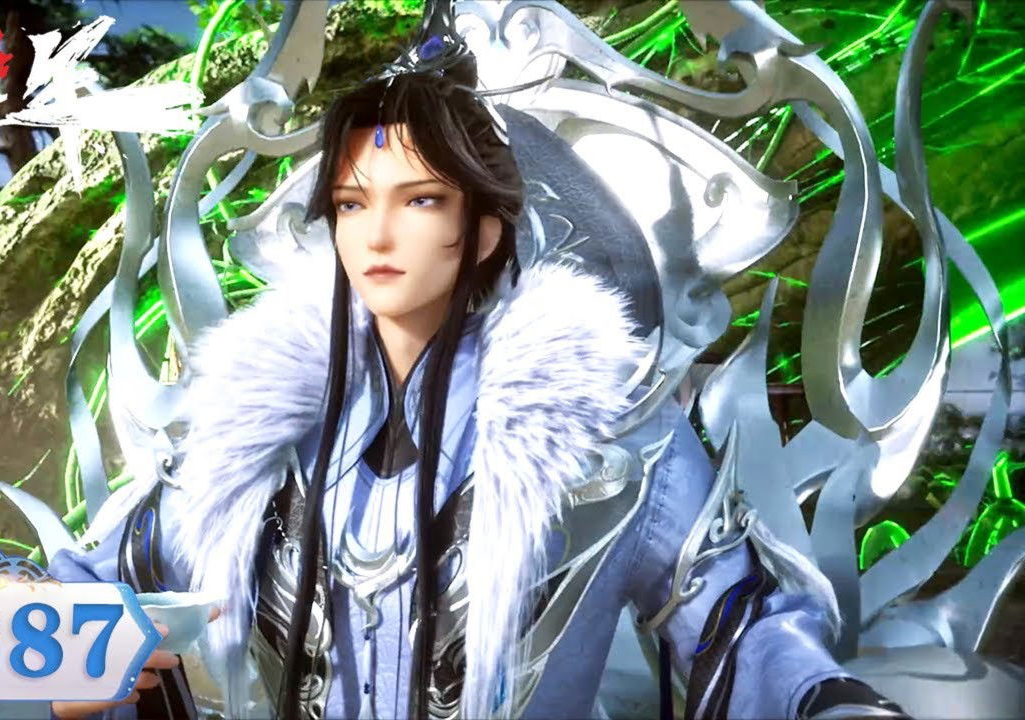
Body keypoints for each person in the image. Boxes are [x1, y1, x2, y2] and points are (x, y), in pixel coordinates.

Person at [47, 27, 911, 720]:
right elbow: (101, 583)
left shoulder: (607, 432)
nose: (379, 236)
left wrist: (829, 703)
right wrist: (61, 653)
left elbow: (736, 621)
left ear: (485, 229)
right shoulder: (249, 435)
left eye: (419, 199)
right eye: (352, 204)